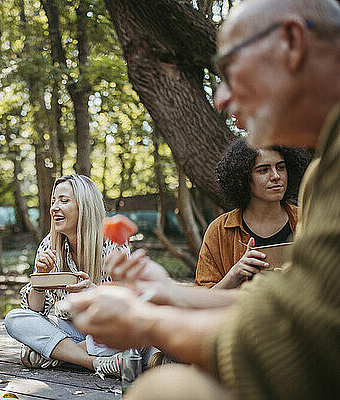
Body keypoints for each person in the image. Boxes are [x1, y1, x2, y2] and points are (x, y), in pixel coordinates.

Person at [66, 0, 340, 398]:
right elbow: (296, 302)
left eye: (229, 71)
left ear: (292, 43)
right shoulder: (320, 173)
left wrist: (147, 322)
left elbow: (306, 343)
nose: (221, 99)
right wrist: (169, 292)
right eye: (262, 170)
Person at [4, 174, 130, 378]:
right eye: (53, 201)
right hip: (70, 329)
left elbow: (128, 304)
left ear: (85, 206)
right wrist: (39, 281)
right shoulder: (49, 244)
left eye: (64, 201)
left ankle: (57, 354)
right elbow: (35, 311)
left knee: (131, 338)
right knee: (14, 319)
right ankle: (93, 363)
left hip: (106, 329)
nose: (54, 207)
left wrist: (93, 293)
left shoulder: (112, 242)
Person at [195, 138, 310, 288]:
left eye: (281, 167)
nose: (276, 176)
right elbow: (203, 300)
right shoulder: (219, 230)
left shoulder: (307, 221)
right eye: (263, 170)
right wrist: (234, 275)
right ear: (243, 178)